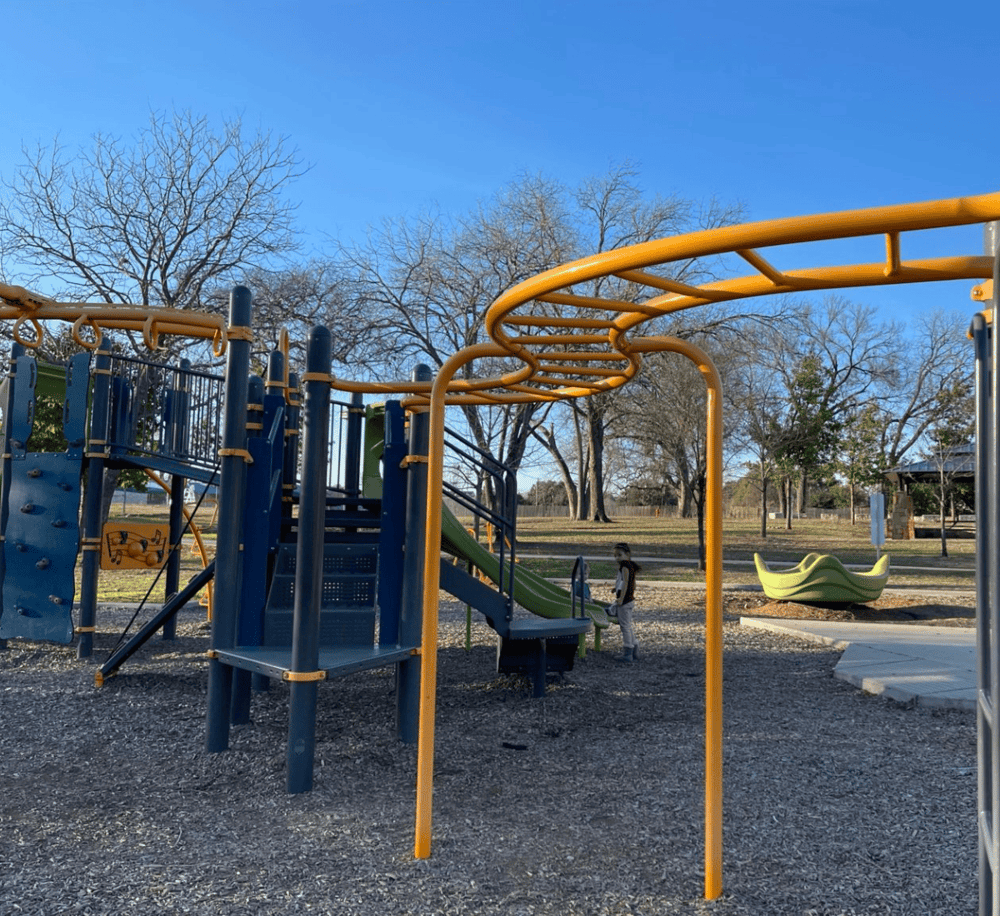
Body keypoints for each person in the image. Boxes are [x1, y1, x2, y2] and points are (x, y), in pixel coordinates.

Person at [608, 542, 640, 663]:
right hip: (630, 599)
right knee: (628, 625)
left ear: (627, 554)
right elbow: (633, 584)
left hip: (625, 602)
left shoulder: (625, 567)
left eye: (619, 555)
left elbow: (626, 582)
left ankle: (628, 653)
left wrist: (621, 598)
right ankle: (634, 647)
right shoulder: (631, 566)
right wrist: (616, 588)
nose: (617, 558)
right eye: (615, 555)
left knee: (625, 627)